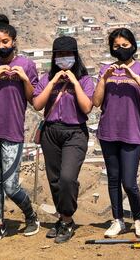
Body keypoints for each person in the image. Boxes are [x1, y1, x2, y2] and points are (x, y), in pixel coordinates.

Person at [92, 28, 140, 238]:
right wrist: (104, 78)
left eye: (125, 45)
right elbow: (96, 102)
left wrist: (135, 77)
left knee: (129, 181)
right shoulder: (106, 70)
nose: (120, 49)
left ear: (133, 45)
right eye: (116, 46)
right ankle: (118, 220)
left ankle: (139, 218)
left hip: (131, 133)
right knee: (113, 178)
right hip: (108, 132)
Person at [0, 15, 40, 242]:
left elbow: (34, 99)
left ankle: (30, 216)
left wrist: (24, 79)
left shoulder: (27, 65)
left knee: (11, 186)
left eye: (5, 41)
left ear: (14, 41)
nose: (1, 46)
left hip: (13, 131)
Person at [33, 36, 94, 244]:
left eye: (67, 55)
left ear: (75, 56)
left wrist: (74, 82)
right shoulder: (47, 78)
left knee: (68, 177)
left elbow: (87, 107)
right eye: (59, 55)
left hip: (75, 132)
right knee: (55, 179)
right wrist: (53, 82)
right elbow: (37, 105)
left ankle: (67, 220)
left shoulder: (85, 80)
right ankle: (62, 218)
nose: (63, 59)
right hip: (51, 132)